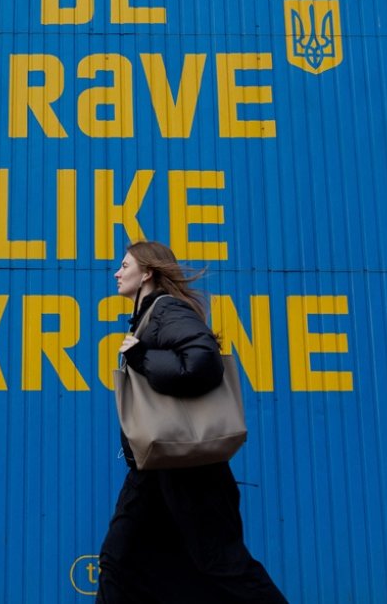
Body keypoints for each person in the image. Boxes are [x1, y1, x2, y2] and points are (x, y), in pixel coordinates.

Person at [97, 241, 287, 603]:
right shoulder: (150, 317)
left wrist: (141, 357)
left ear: (148, 272)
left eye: (124, 265)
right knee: (119, 562)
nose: (117, 273)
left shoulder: (167, 311)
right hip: (155, 467)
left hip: (189, 470)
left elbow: (203, 363)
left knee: (222, 564)